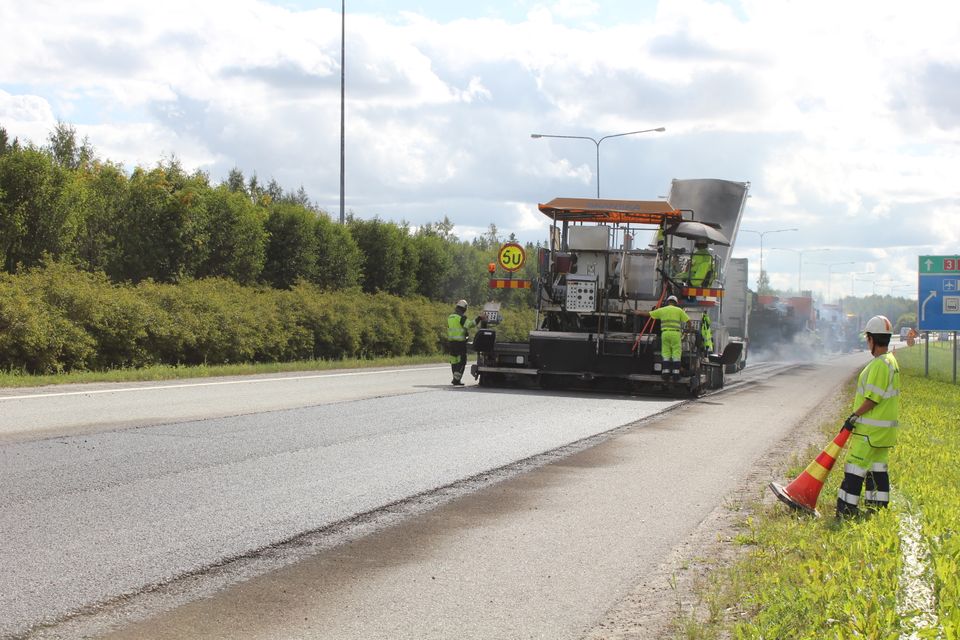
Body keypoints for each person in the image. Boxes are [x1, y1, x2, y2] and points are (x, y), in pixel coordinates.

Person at [836, 315, 901, 518]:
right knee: (877, 470)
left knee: (855, 469)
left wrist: (853, 416)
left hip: (869, 432)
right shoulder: (891, 361)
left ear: (871, 339)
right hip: (882, 433)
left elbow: (873, 399)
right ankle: (877, 509)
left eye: (867, 338)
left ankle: (846, 510)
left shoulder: (879, 365)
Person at [645, 295, 691, 381]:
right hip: (675, 334)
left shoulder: (663, 310)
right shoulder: (679, 310)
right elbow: (688, 321)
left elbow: (649, 314)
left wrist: (636, 312)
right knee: (676, 354)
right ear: (676, 303)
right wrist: (688, 330)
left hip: (665, 333)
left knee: (666, 354)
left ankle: (665, 373)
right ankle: (676, 375)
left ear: (667, 302)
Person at [446, 299, 481, 386]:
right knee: (462, 361)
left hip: (451, 343)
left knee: (454, 361)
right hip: (460, 343)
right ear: (464, 309)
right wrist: (479, 318)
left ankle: (455, 378)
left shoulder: (450, 317)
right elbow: (470, 325)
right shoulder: (461, 318)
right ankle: (456, 380)